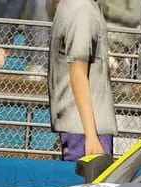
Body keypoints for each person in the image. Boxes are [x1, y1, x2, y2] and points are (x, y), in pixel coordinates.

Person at [47, 0, 117, 161]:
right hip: (86, 131)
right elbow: (77, 73)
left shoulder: (72, 6)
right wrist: (91, 136)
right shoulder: (82, 9)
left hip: (80, 128)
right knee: (90, 178)